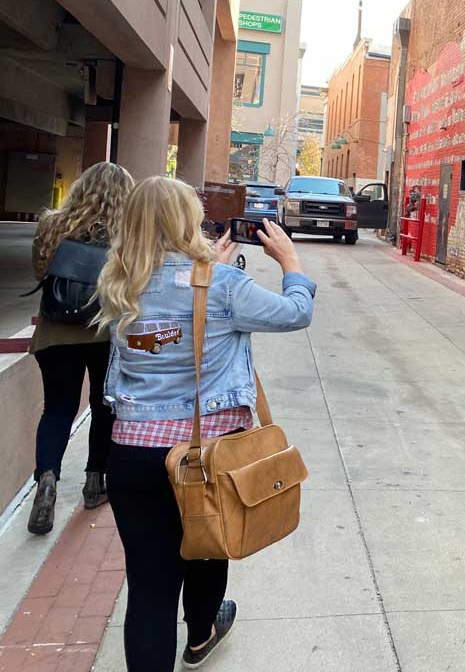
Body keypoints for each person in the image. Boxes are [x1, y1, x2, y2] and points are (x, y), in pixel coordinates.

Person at [94, 176, 316, 671]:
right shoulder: (223, 285)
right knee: (209, 546)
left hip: (132, 453)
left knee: (149, 589)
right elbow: (295, 313)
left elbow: (160, 335)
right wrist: (291, 263)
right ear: (189, 221)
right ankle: (200, 635)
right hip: (206, 455)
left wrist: (204, 274)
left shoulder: (117, 284)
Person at [27, 161, 134, 535]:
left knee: (57, 409)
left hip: (55, 333)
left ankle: (47, 480)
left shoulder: (51, 225)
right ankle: (94, 482)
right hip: (105, 332)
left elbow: (40, 272)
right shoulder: (127, 232)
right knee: (104, 408)